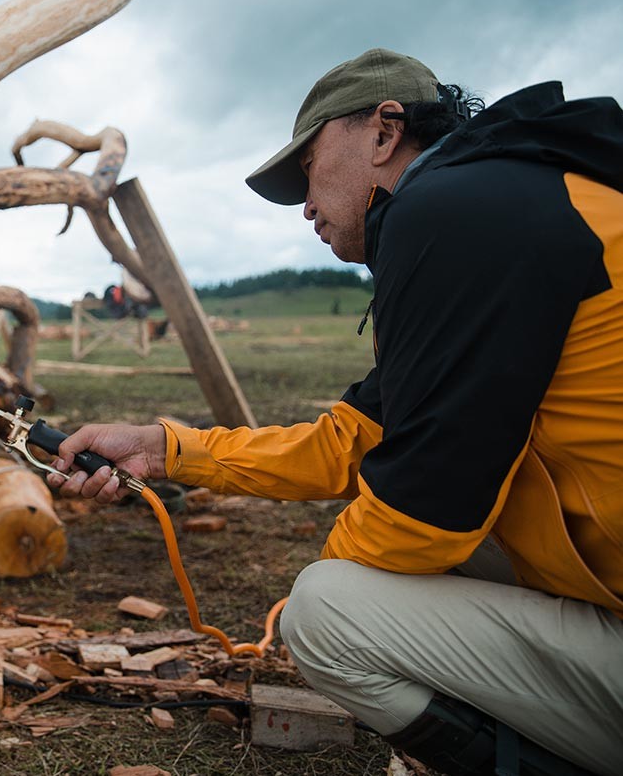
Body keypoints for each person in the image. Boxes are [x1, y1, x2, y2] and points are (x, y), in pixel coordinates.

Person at [46, 49, 623, 775]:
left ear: (385, 132)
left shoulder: (450, 214)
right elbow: (348, 440)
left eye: (311, 170)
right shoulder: (509, 202)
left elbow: (428, 507)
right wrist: (165, 448)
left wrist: (301, 610)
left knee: (328, 615)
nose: (306, 206)